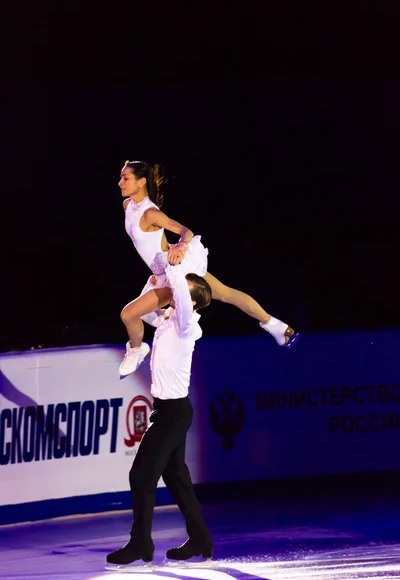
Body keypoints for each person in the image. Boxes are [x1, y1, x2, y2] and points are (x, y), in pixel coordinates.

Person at [118, 160, 299, 376]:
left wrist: (183, 246)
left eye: (125, 178)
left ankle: (137, 349)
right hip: (161, 271)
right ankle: (278, 327)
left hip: (173, 273)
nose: (120, 183)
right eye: (121, 177)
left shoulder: (150, 214)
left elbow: (186, 231)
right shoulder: (128, 206)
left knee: (129, 315)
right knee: (225, 293)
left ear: (141, 182)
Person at [107, 265, 214, 566]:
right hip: (166, 410)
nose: (174, 293)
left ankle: (141, 543)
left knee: (141, 476)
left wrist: (173, 265)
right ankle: (200, 539)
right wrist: (154, 279)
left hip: (174, 413)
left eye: (182, 292)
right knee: (175, 476)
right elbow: (140, 308)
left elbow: (178, 289)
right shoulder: (168, 320)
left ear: (192, 301)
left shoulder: (186, 325)